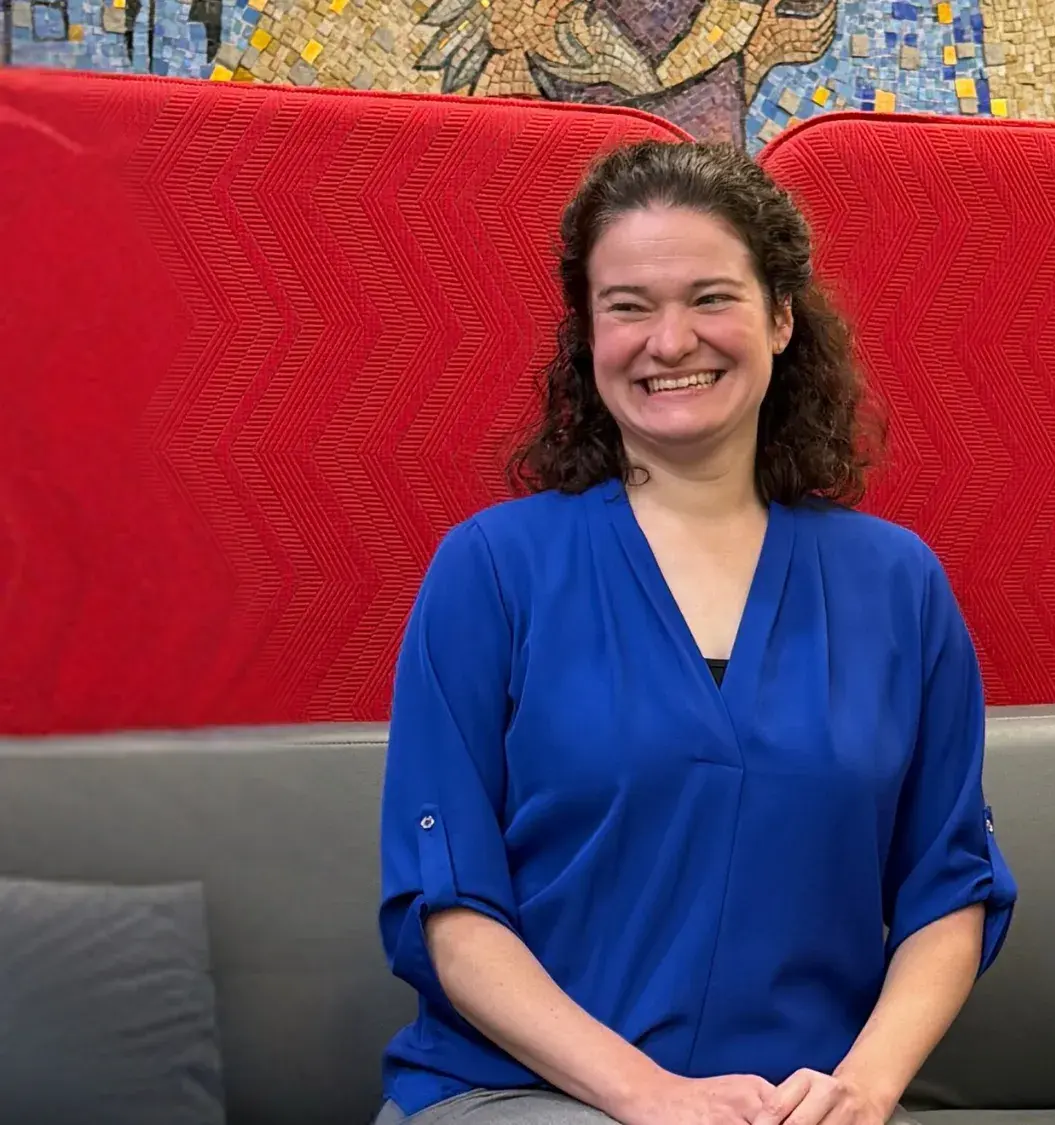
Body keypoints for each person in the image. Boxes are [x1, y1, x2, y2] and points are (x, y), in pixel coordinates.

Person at [373, 140, 1015, 1125]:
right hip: (522, 1094)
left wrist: (862, 1089)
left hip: (795, 1106)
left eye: (710, 298)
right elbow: (449, 911)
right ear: (588, 338)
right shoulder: (491, 570)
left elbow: (947, 888)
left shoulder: (897, 585)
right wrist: (652, 1098)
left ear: (781, 317)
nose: (669, 342)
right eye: (627, 307)